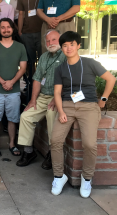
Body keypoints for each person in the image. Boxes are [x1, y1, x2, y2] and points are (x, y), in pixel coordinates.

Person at [50, 31, 116, 198]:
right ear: (62, 48)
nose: (68, 48)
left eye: (71, 44)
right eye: (64, 45)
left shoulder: (89, 63)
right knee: (55, 140)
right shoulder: (60, 68)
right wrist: (61, 111)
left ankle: (87, 178)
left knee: (89, 144)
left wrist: (103, 99)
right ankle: (59, 176)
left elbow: (111, 79)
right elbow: (57, 92)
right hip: (67, 105)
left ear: (78, 45)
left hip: (88, 107)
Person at [16, 30, 66, 169]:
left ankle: (52, 153)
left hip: (58, 97)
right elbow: (37, 79)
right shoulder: (43, 57)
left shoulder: (65, 56)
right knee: (26, 116)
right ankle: (28, 152)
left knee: (51, 114)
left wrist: (56, 99)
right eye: (48, 41)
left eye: (54, 40)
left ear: (60, 40)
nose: (50, 43)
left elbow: (67, 80)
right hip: (43, 96)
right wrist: (33, 100)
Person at [0, 18, 27, 157]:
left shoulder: (20, 47)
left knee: (12, 118)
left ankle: (12, 144)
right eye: (2, 27)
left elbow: (23, 68)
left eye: (8, 27)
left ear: (13, 29)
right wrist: (4, 82)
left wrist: (12, 82)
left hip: (14, 91)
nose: (5, 29)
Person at [17, 0, 44, 80]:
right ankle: (31, 86)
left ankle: (44, 87)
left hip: (42, 32)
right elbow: (21, 14)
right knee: (30, 62)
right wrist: (20, 31)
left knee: (43, 61)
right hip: (27, 34)